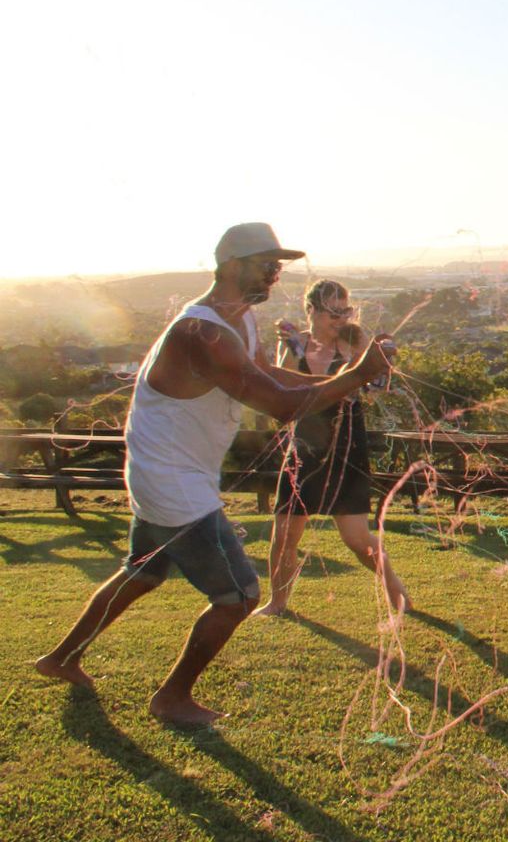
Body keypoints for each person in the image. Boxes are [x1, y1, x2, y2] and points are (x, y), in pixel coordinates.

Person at [33, 224, 393, 725]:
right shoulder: (202, 332)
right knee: (239, 595)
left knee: (143, 570)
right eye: (265, 264)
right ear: (230, 266)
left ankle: (61, 658)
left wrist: (347, 378)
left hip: (167, 471)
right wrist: (356, 375)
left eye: (277, 266)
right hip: (172, 478)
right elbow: (280, 405)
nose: (274, 274)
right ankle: (172, 698)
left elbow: (274, 377)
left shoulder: (239, 321)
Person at [255, 279, 409, 617]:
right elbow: (283, 387)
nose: (341, 319)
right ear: (310, 310)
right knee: (284, 537)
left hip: (347, 446)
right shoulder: (294, 344)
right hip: (304, 447)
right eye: (332, 313)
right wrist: (292, 349)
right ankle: (276, 604)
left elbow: (376, 389)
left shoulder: (354, 342)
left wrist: (383, 360)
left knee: (357, 539)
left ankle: (398, 594)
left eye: (345, 311)